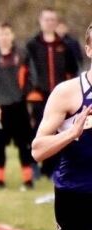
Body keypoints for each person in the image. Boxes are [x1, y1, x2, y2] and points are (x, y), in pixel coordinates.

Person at [31, 21, 92, 230]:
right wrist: (73, 134)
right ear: (89, 49)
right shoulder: (68, 93)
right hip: (74, 191)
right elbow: (38, 149)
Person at [26, 8, 80, 177]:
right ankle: (34, 165)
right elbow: (25, 70)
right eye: (46, 19)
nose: (49, 22)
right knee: (38, 130)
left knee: (60, 131)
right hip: (38, 96)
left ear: (56, 22)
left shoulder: (65, 45)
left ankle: (52, 168)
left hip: (61, 96)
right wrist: (31, 90)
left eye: (52, 19)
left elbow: (73, 70)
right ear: (41, 21)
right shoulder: (32, 45)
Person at [0, 22, 35, 189]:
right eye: (1, 34)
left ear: (12, 35)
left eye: (7, 34)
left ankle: (28, 179)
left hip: (19, 106)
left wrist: (27, 94)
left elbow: (31, 77)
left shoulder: (21, 54)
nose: (4, 37)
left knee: (24, 144)